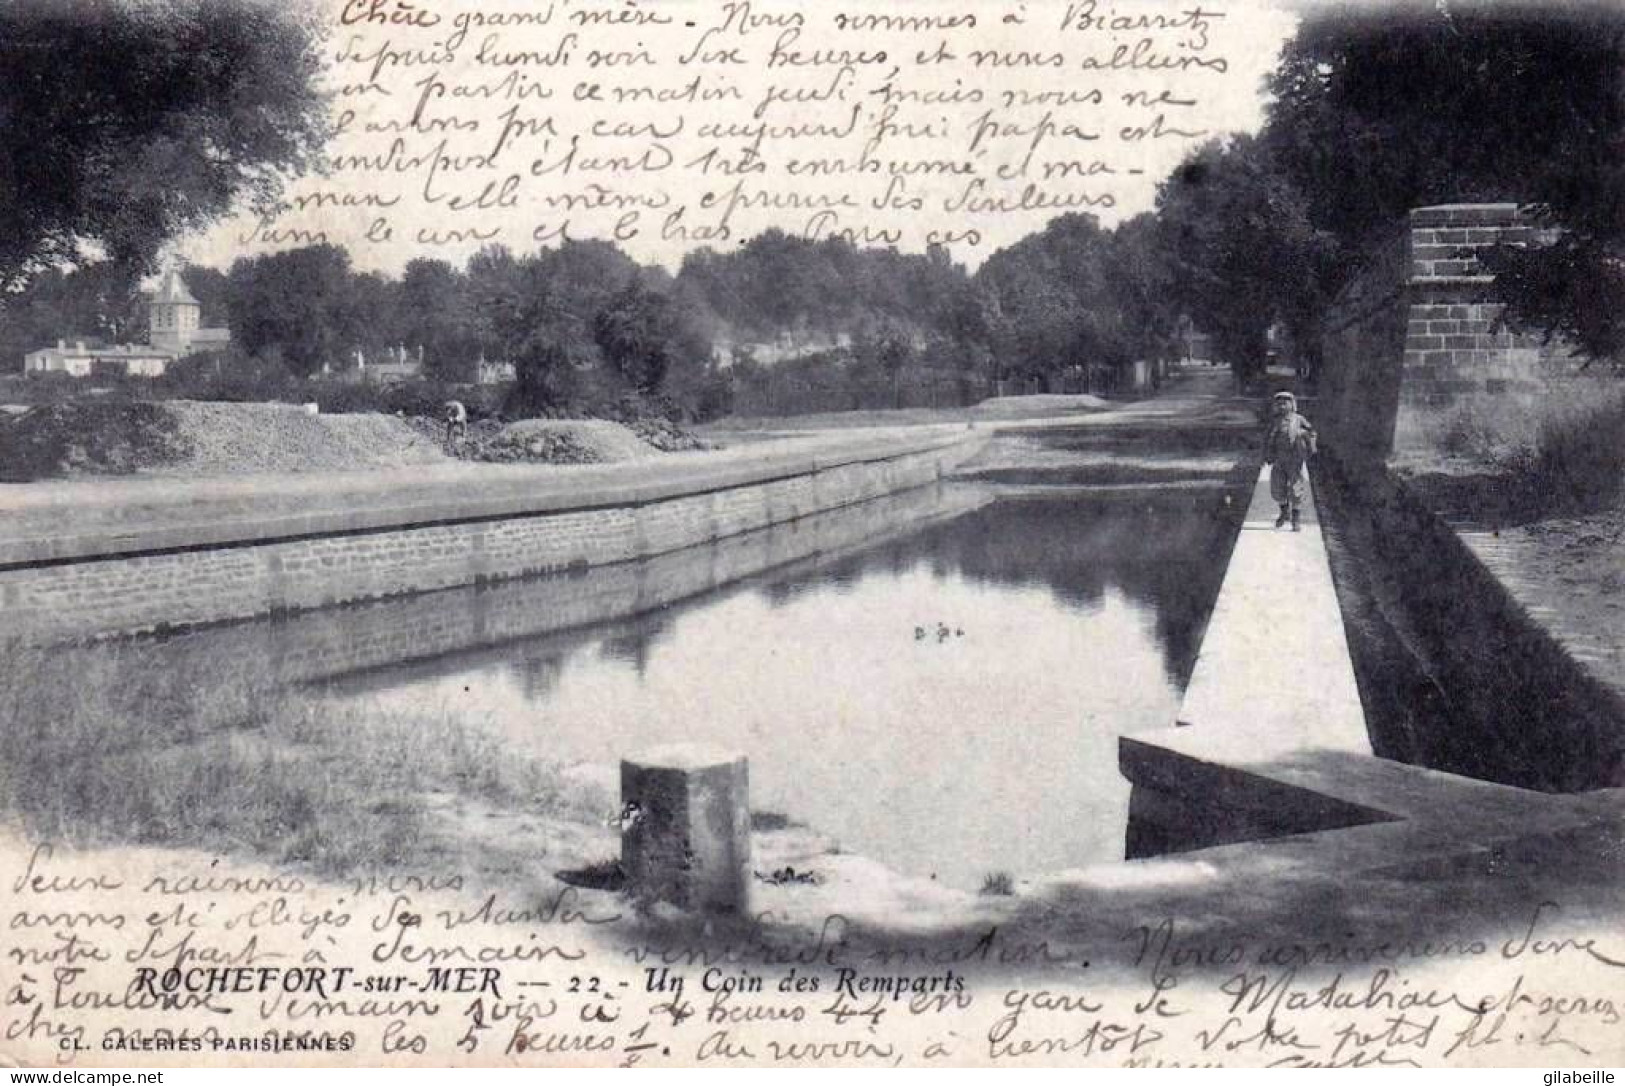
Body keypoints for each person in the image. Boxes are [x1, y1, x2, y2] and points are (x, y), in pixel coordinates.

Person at [1263, 390, 1316, 532]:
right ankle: (1284, 511)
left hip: (1295, 459)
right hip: (1279, 459)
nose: (1282, 406)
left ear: (1292, 405)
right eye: (1279, 403)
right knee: (1277, 486)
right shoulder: (1274, 421)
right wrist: (1267, 454)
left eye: (1286, 403)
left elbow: (1311, 432)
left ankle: (1296, 517)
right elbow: (1267, 438)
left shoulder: (1299, 419)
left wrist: (1305, 438)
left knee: (1296, 487)